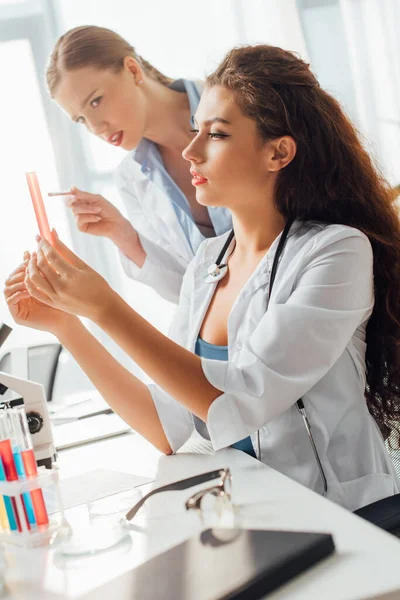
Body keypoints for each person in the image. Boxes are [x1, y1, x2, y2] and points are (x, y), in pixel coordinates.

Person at [5, 45, 400, 511]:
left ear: (278, 152)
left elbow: (240, 398)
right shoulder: (209, 260)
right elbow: (165, 425)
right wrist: (68, 324)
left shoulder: (336, 251)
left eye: (215, 134)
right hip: (258, 511)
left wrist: (105, 305)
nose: (190, 151)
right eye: (196, 130)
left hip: (347, 515)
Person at [46, 25, 232, 303]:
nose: (96, 128)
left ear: (133, 70)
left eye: (96, 101)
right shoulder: (130, 180)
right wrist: (121, 232)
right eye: (81, 119)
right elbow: (187, 293)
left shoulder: (234, 102)